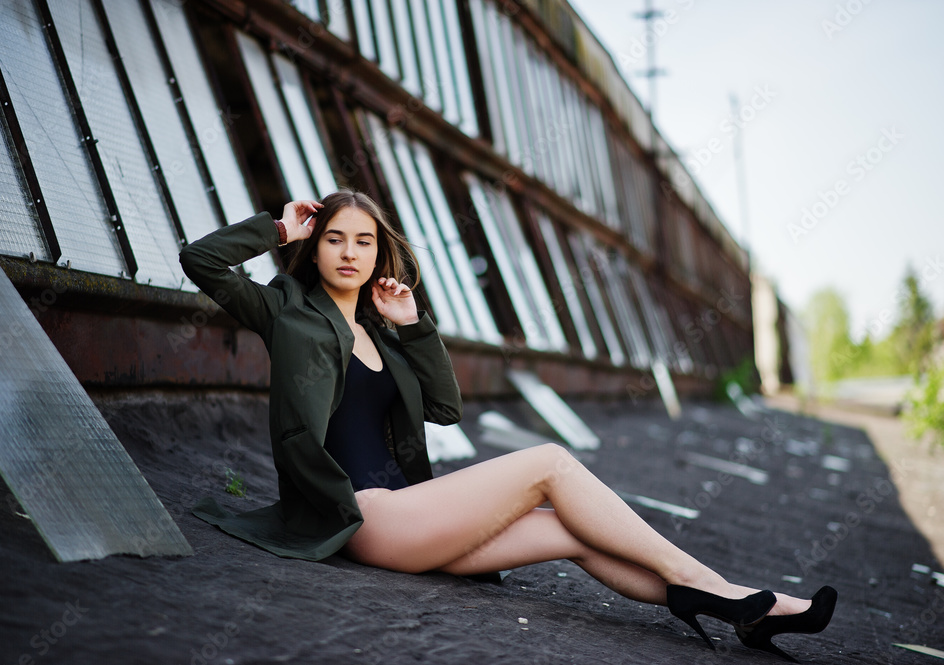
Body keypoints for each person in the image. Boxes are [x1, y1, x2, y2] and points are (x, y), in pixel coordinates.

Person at [178, 189, 836, 661]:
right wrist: (277, 225)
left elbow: (445, 408)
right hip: (359, 516)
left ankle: (717, 605)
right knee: (550, 463)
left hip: (408, 512)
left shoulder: (382, 330)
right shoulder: (284, 310)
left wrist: (415, 327)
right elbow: (201, 261)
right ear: (315, 246)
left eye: (365, 240)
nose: (349, 251)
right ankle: (725, 590)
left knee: (568, 532)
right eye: (334, 237)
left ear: (382, 253)